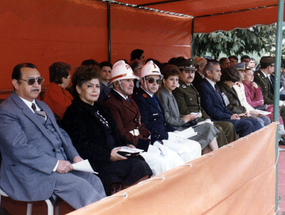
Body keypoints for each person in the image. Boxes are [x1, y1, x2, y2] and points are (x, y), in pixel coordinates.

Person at [0, 63, 106, 209]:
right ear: (15, 84)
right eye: (31, 81)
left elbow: (61, 133)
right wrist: (55, 164)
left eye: (39, 81)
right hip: (31, 172)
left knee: (94, 180)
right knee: (81, 187)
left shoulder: (42, 106)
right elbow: (19, 149)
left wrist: (74, 156)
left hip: (60, 166)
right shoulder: (6, 111)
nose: (36, 85)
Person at [61, 65, 152, 195]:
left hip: (114, 153)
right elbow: (81, 145)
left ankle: (129, 202)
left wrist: (127, 145)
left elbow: (116, 133)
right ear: (78, 89)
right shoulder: (74, 111)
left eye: (97, 86)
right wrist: (108, 155)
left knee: (140, 163)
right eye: (89, 86)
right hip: (96, 159)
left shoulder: (101, 108)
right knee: (135, 168)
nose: (94, 90)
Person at [102, 60, 184, 175]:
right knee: (160, 163)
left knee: (172, 156)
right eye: (127, 80)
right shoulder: (111, 103)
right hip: (129, 145)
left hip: (140, 141)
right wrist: (144, 144)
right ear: (116, 84)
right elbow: (121, 132)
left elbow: (140, 125)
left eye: (132, 80)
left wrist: (152, 138)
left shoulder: (130, 100)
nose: (132, 84)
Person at [132, 60, 201, 163]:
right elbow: (145, 124)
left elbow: (163, 120)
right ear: (142, 81)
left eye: (158, 81)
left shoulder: (153, 96)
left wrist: (174, 132)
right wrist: (166, 135)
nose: (155, 84)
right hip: (156, 137)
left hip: (165, 133)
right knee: (184, 151)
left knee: (196, 146)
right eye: (151, 80)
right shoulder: (140, 99)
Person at [172, 58, 237, 147]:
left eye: (193, 72)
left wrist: (207, 119)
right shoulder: (178, 89)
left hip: (201, 119)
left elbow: (199, 107)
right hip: (191, 123)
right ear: (180, 73)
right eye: (187, 72)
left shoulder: (191, 87)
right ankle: (223, 156)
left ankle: (233, 152)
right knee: (218, 129)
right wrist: (203, 121)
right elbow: (184, 111)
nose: (190, 75)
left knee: (228, 126)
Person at [156, 64, 219, 154]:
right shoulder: (162, 94)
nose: (175, 82)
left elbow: (174, 115)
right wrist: (183, 120)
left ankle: (212, 159)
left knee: (208, 127)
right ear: (164, 80)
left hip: (179, 127)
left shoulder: (170, 92)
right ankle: (216, 155)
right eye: (171, 79)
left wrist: (187, 117)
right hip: (175, 131)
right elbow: (167, 119)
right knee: (208, 128)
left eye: (177, 80)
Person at [197, 61, 260, 137]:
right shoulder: (203, 87)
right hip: (217, 119)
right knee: (247, 124)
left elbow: (224, 107)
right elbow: (211, 110)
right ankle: (245, 148)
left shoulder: (214, 85)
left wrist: (233, 115)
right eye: (217, 71)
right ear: (208, 73)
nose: (220, 73)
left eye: (220, 71)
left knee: (254, 121)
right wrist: (229, 116)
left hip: (224, 116)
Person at [243, 67, 285, 135]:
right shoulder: (242, 86)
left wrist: (257, 88)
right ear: (243, 76)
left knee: (275, 108)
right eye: (249, 74)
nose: (252, 76)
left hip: (256, 106)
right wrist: (259, 102)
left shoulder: (252, 84)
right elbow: (249, 103)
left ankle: (278, 131)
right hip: (250, 108)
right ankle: (277, 132)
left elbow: (260, 99)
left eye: (252, 74)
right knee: (271, 110)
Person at [232, 63, 271, 127]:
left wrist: (257, 89)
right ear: (235, 73)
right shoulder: (235, 86)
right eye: (242, 72)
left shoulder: (241, 85)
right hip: (242, 112)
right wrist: (250, 112)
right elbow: (242, 104)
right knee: (259, 121)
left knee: (266, 119)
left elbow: (258, 100)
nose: (244, 74)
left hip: (249, 110)